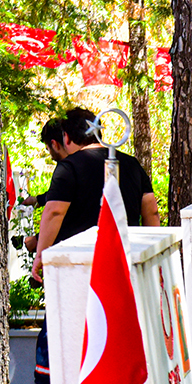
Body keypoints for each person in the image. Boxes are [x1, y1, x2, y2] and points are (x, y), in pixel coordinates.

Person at [30, 107, 159, 280]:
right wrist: (153, 253)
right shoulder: (132, 164)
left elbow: (54, 211)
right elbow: (151, 210)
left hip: (81, 263)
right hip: (126, 258)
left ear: (66, 137)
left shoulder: (68, 167)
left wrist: (41, 254)